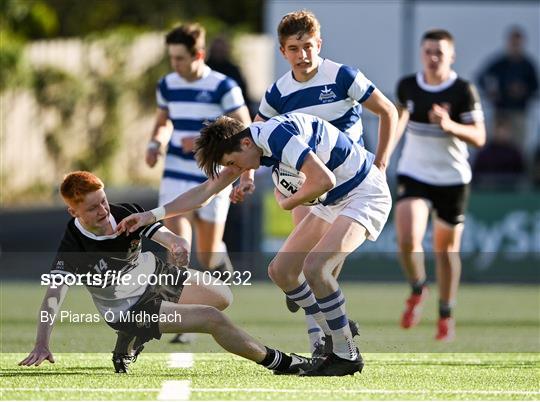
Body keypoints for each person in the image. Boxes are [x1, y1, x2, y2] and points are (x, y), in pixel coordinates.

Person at [117, 111, 396, 376]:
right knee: (281, 271)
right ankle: (336, 329)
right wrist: (149, 215)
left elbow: (324, 179)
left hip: (365, 192)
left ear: (246, 142)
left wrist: (289, 202)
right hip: (333, 200)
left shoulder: (275, 134)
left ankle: (346, 355)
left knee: (316, 267)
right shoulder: (252, 146)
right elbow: (205, 192)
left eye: (232, 163)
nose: (234, 170)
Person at [18, 171, 312, 375]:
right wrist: (42, 343)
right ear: (73, 211)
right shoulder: (73, 247)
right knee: (213, 318)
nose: (104, 211)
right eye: (93, 208)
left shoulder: (124, 212)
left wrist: (177, 243)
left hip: (155, 274)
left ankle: (130, 340)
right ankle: (280, 361)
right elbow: (53, 298)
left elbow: (165, 237)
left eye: (104, 201)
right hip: (129, 309)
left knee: (222, 297)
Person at [248, 10, 395, 354]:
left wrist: (382, 162)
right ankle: (324, 331)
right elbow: (254, 137)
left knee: (319, 266)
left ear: (320, 44)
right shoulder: (277, 93)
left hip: (349, 180)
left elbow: (389, 111)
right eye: (294, 49)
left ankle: (326, 341)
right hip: (305, 182)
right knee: (299, 267)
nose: (303, 55)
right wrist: (244, 178)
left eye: (308, 46)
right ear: (282, 52)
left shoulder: (342, 76)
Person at [146, 23, 252, 344]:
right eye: (171, 58)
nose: (174, 64)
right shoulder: (167, 84)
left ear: (198, 55)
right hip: (175, 175)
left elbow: (245, 129)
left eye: (180, 58)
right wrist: (156, 143)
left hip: (213, 176)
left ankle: (219, 265)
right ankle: (184, 321)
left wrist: (207, 144)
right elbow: (163, 123)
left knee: (207, 255)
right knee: (179, 244)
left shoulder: (223, 86)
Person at [394, 29, 486, 341]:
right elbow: (398, 123)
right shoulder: (408, 86)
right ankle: (418, 288)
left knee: (446, 252)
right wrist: (382, 160)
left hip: (452, 178)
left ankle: (445, 313)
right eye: (428, 51)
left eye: (440, 53)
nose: (433, 58)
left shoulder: (463, 90)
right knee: (407, 238)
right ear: (422, 53)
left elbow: (479, 137)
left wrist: (449, 126)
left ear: (451, 56)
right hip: (414, 173)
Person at [477, 26, 538, 151]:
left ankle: (518, 170)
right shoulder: (500, 63)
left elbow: (535, 86)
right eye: (513, 43)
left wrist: (523, 91)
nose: (515, 46)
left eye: (517, 43)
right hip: (501, 111)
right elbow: (481, 77)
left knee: (519, 146)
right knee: (496, 145)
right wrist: (491, 92)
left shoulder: (527, 65)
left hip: (519, 111)